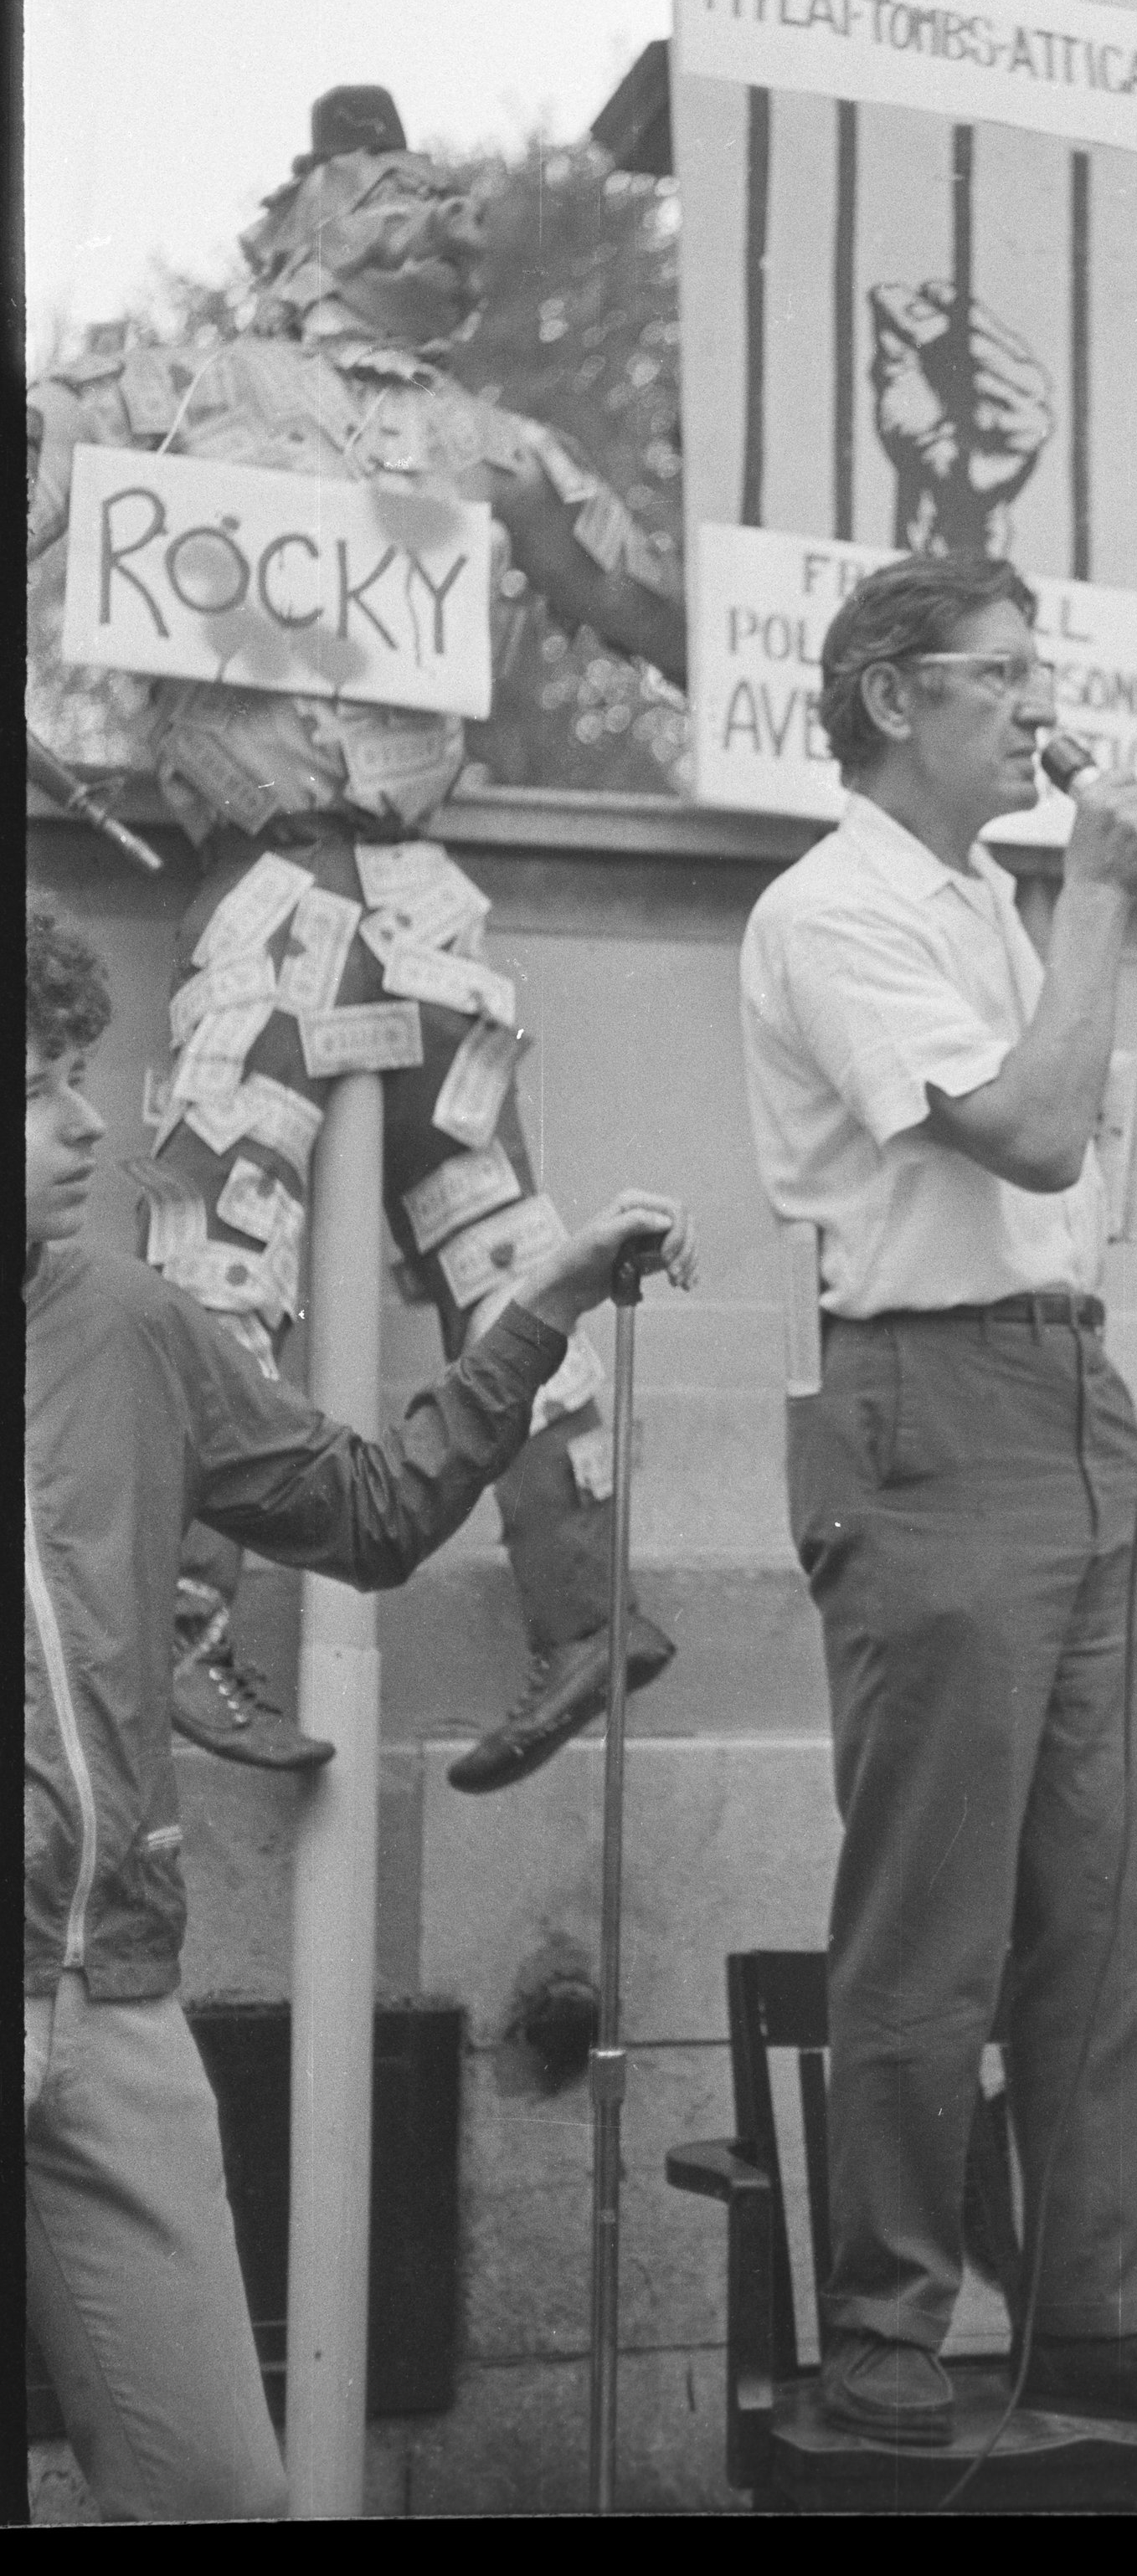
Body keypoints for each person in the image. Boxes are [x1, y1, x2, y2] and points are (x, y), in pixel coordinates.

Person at [27, 86, 689, 1790]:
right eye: (385, 185)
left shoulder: (484, 437)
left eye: (435, 186)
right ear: (304, 221)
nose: (431, 203)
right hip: (282, 882)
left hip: (411, 892)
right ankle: (194, 1637)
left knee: (494, 1244)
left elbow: (649, 606)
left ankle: (581, 1608)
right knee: (227, 1238)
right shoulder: (171, 385)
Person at [24, 889, 699, 2522]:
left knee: (217, 2497)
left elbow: (375, 1511)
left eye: (79, 1072)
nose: (82, 1122)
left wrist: (538, 1301)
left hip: (101, 2002)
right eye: (35, 1081)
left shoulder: (132, 1326)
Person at [738, 552, 1137, 2446]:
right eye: (1009, 676)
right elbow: (1032, 1130)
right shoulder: (833, 912)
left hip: (1066, 1385)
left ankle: (1102, 2309)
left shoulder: (982, 897)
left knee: (1118, 1904)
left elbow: (1063, 1159)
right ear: (895, 698)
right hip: (926, 1404)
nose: (1047, 708)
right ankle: (888, 2335)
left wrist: (1071, 908)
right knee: (935, 1914)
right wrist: (1106, 895)